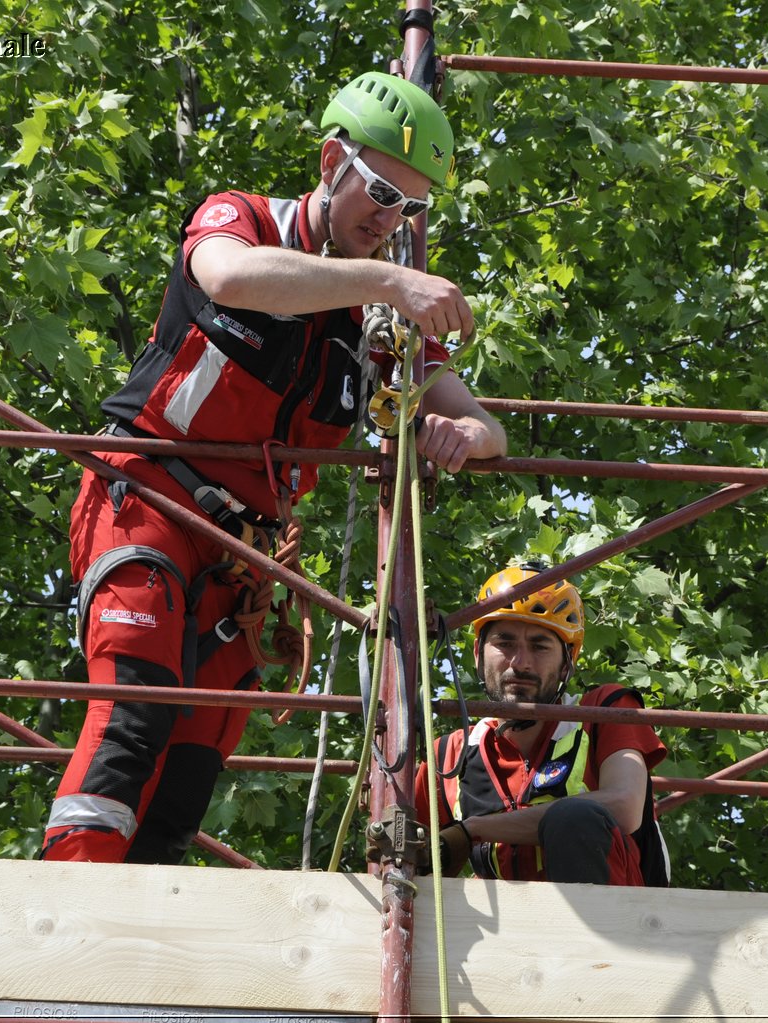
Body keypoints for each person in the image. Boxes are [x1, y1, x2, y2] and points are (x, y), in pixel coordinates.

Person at [41, 72, 507, 863]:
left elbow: (483, 422)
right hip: (150, 496)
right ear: (332, 161)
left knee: (189, 769)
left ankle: (132, 942)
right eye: (382, 193)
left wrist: (459, 433)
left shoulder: (379, 323)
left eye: (412, 210)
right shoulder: (244, 219)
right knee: (136, 708)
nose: (391, 221)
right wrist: (392, 278)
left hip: (242, 557)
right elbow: (228, 275)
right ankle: (66, 906)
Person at [414, 565, 670, 886]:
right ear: (478, 652)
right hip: (509, 929)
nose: (520, 663)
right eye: (504, 643)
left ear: (568, 662)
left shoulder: (604, 711)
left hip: (617, 921)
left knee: (573, 817)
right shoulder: (449, 755)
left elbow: (624, 805)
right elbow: (414, 860)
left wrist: (474, 829)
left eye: (539, 646)